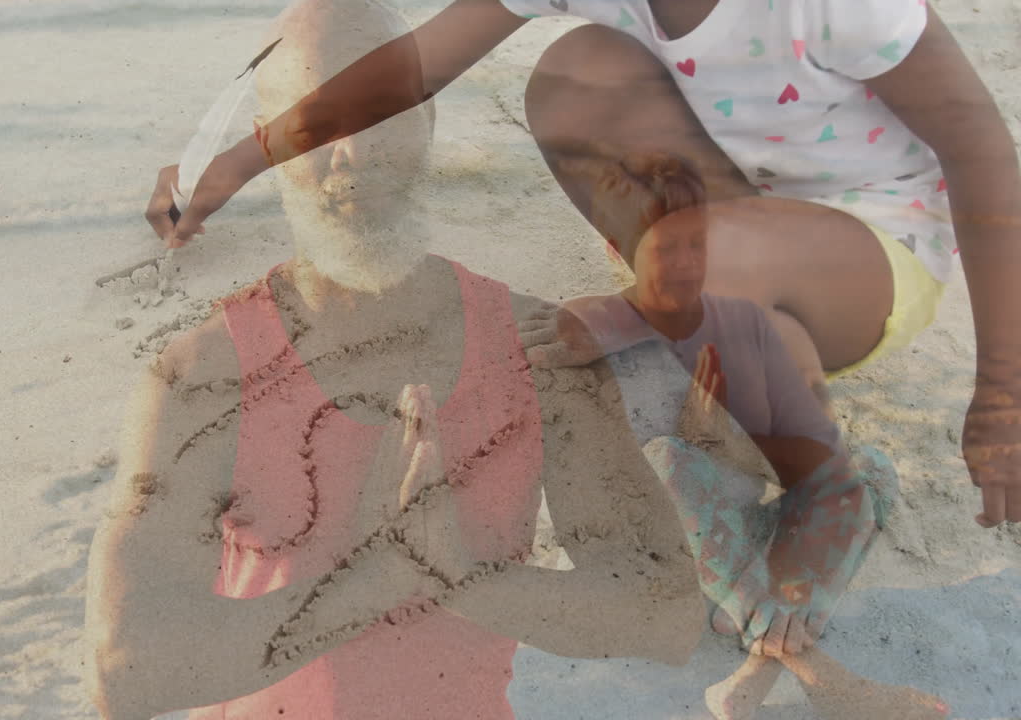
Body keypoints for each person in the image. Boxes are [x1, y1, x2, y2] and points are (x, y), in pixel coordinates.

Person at [144, 0, 1021, 530]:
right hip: (734, 212)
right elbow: (415, 66)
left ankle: (825, 495)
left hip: (873, 251)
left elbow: (982, 151)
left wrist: (1003, 391)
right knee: (574, 72)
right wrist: (241, 160)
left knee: (700, 255)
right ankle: (702, 317)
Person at [88, 3, 707, 718]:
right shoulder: (205, 373)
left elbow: (668, 613)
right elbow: (123, 672)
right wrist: (377, 582)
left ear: (429, 119)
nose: (354, 153)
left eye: (381, 112)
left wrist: (462, 579)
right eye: (314, 125)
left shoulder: (540, 347)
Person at [517, 151, 949, 718]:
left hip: (759, 531)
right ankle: (815, 671)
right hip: (694, 536)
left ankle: (761, 663)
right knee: (667, 461)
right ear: (616, 249)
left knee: (872, 472)